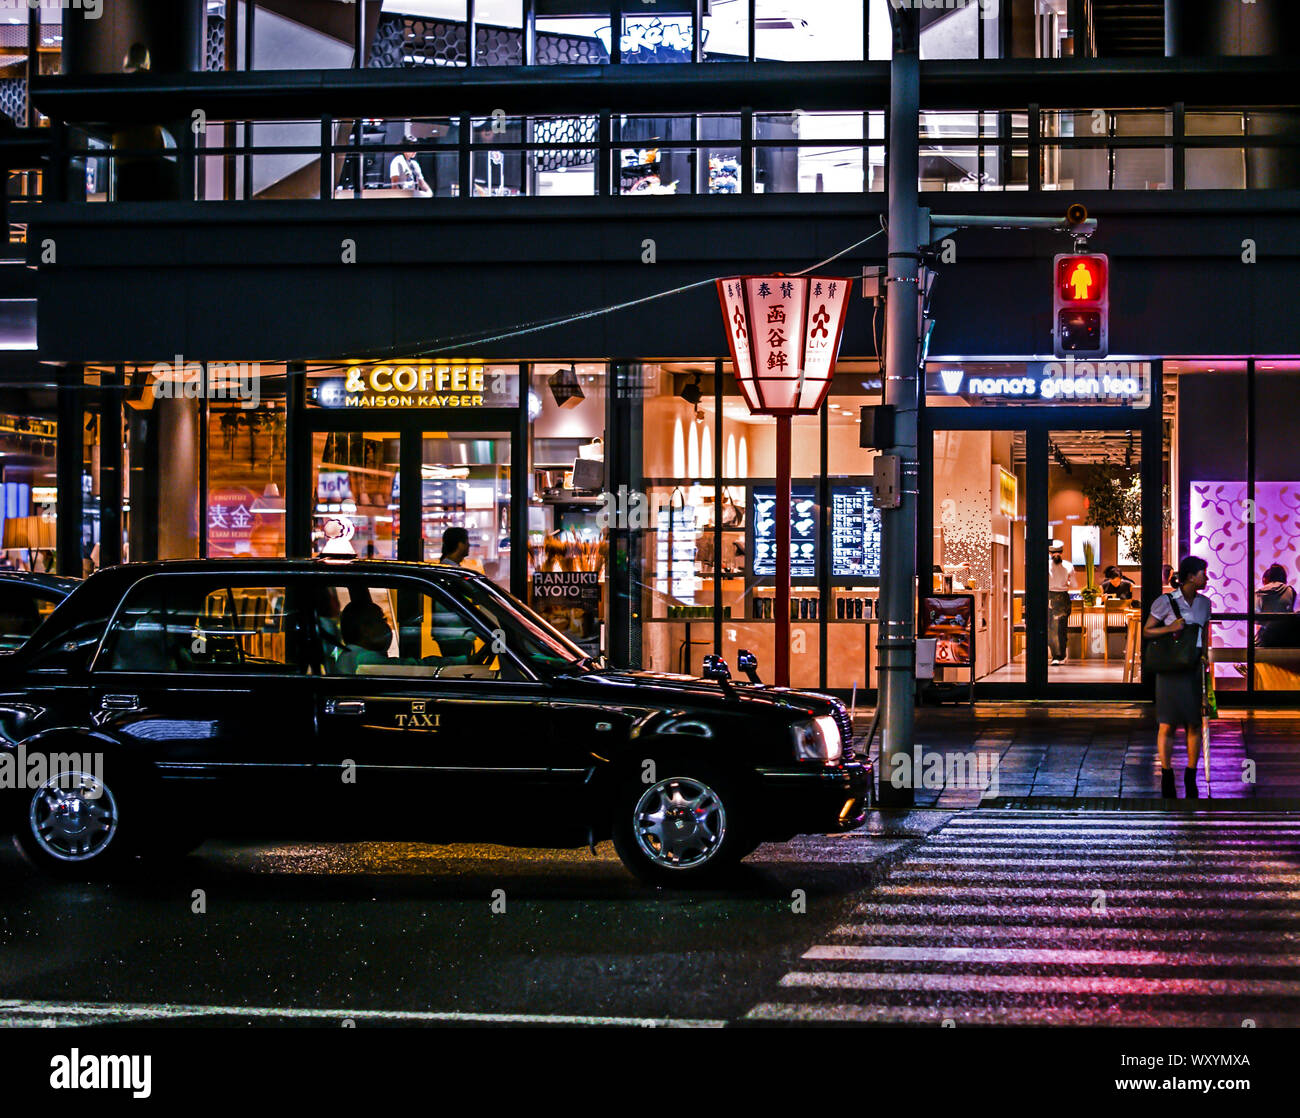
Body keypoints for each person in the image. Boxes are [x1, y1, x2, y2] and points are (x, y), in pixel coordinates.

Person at [1143, 556, 1212, 800]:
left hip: (1193, 667)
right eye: (1203, 573)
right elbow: (1147, 630)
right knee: (1167, 723)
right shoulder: (1166, 601)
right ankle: (1167, 773)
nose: (1206, 577)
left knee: (1194, 723)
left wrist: (1205, 659)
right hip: (1170, 669)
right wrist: (1171, 628)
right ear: (1191, 576)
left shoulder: (1205, 604)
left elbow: (1205, 635)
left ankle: (1191, 774)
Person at [1048, 539, 1076, 665]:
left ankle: (1057, 656)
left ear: (1050, 553)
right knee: (1060, 628)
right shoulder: (1069, 565)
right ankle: (1060, 656)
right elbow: (1074, 584)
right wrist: (1067, 583)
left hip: (1051, 597)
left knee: (1053, 628)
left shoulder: (1047, 565)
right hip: (1063, 597)